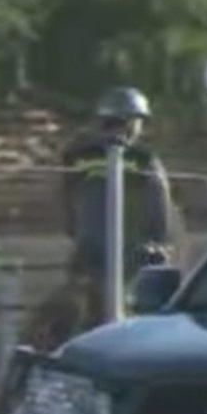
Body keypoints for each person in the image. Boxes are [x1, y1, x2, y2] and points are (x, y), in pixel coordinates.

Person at [60, 85, 176, 284]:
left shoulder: (76, 157)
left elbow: (63, 198)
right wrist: (160, 241)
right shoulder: (142, 159)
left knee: (86, 293)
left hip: (87, 247)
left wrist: (75, 233)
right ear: (131, 123)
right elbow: (159, 201)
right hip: (131, 249)